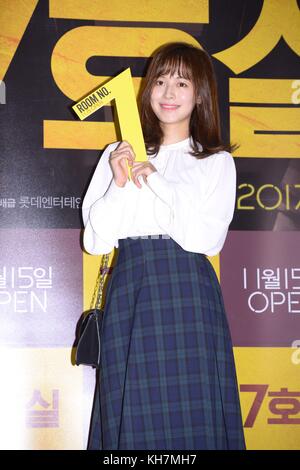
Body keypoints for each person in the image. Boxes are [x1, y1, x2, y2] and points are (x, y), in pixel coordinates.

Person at [82, 42, 245, 450]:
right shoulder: (117, 154)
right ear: (146, 90)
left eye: (182, 82)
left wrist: (155, 178)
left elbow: (204, 239)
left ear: (200, 94)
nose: (169, 92)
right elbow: (95, 239)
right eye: (160, 80)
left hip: (188, 293)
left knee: (193, 413)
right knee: (130, 411)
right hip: (132, 289)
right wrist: (120, 182)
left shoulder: (215, 161)